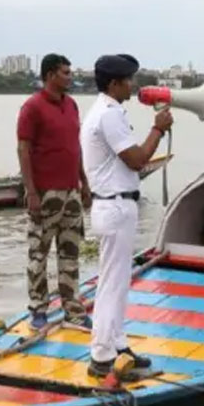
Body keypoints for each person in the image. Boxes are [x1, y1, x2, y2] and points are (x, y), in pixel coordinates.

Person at [81, 53, 172, 377]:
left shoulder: (106, 111)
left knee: (118, 282)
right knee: (112, 284)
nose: (132, 85)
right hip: (115, 205)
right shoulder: (108, 115)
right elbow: (137, 159)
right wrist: (158, 129)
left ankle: (117, 342)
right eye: (127, 80)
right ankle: (102, 358)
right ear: (114, 83)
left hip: (115, 205)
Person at [17, 54, 93, 330]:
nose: (70, 77)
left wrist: (83, 181)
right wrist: (32, 192)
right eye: (65, 73)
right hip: (45, 192)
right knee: (39, 253)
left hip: (71, 191)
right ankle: (38, 310)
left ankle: (73, 310)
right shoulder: (32, 107)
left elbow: (76, 146)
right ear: (50, 75)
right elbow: (23, 150)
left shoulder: (71, 105)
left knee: (70, 253)